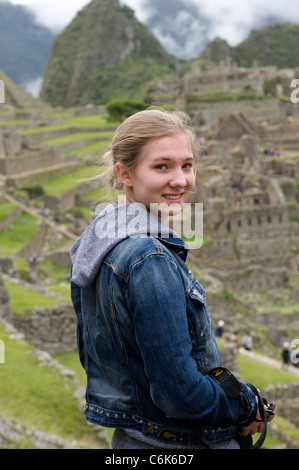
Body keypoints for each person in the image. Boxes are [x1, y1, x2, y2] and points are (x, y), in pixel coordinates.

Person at [70, 108, 273, 449]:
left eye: (187, 165)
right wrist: (244, 406)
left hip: (133, 439)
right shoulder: (148, 259)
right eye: (161, 166)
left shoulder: (99, 246)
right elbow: (179, 391)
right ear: (125, 173)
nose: (180, 180)